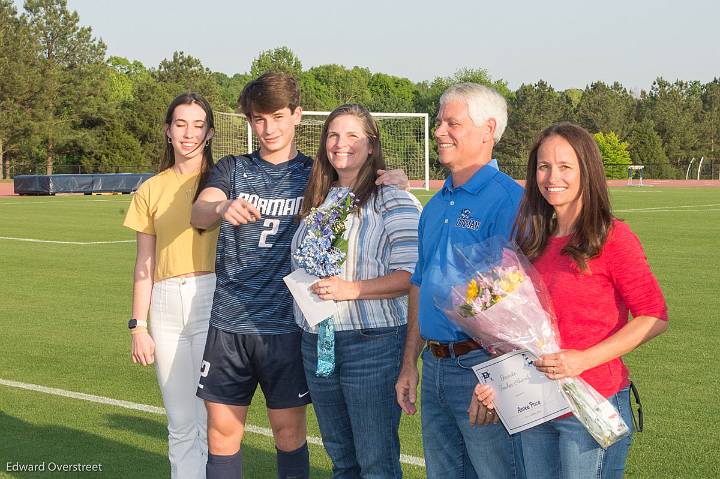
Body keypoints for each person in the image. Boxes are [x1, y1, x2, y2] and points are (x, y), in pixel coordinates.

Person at [190, 73, 407, 479]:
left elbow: (359, 180)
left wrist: (390, 177)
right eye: (258, 119)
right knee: (221, 433)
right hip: (230, 324)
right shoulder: (233, 168)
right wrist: (220, 209)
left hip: (289, 327)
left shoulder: (317, 175)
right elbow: (199, 212)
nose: (268, 128)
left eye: (276, 116)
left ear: (297, 116)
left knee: (289, 433)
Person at [476, 122, 668, 478]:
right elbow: (510, 329)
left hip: (591, 404)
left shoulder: (612, 238)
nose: (552, 177)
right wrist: (497, 382)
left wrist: (583, 359)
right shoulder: (530, 241)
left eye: (565, 166)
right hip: (534, 407)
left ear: (587, 171)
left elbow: (654, 316)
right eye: (543, 166)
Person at [395, 83, 525, 479]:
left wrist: (496, 379)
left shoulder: (510, 200)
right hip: (434, 367)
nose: (438, 131)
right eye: (438, 122)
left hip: (480, 367)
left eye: (452, 122)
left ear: (488, 129)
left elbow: (516, 296)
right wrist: (409, 364)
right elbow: (420, 283)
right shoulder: (435, 205)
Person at [291, 104, 421, 478]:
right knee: (342, 460)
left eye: (352, 136)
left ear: (371, 145)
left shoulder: (391, 198)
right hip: (318, 343)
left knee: (375, 462)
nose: (340, 143)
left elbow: (412, 274)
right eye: (333, 135)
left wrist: (351, 289)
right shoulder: (318, 198)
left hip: (372, 344)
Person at [123, 92, 218, 478]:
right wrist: (138, 325)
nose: (188, 133)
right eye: (180, 124)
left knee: (216, 420)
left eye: (198, 125)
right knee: (180, 422)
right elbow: (144, 263)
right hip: (164, 306)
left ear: (210, 133)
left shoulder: (224, 179)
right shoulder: (150, 189)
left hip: (213, 299)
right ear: (167, 130)